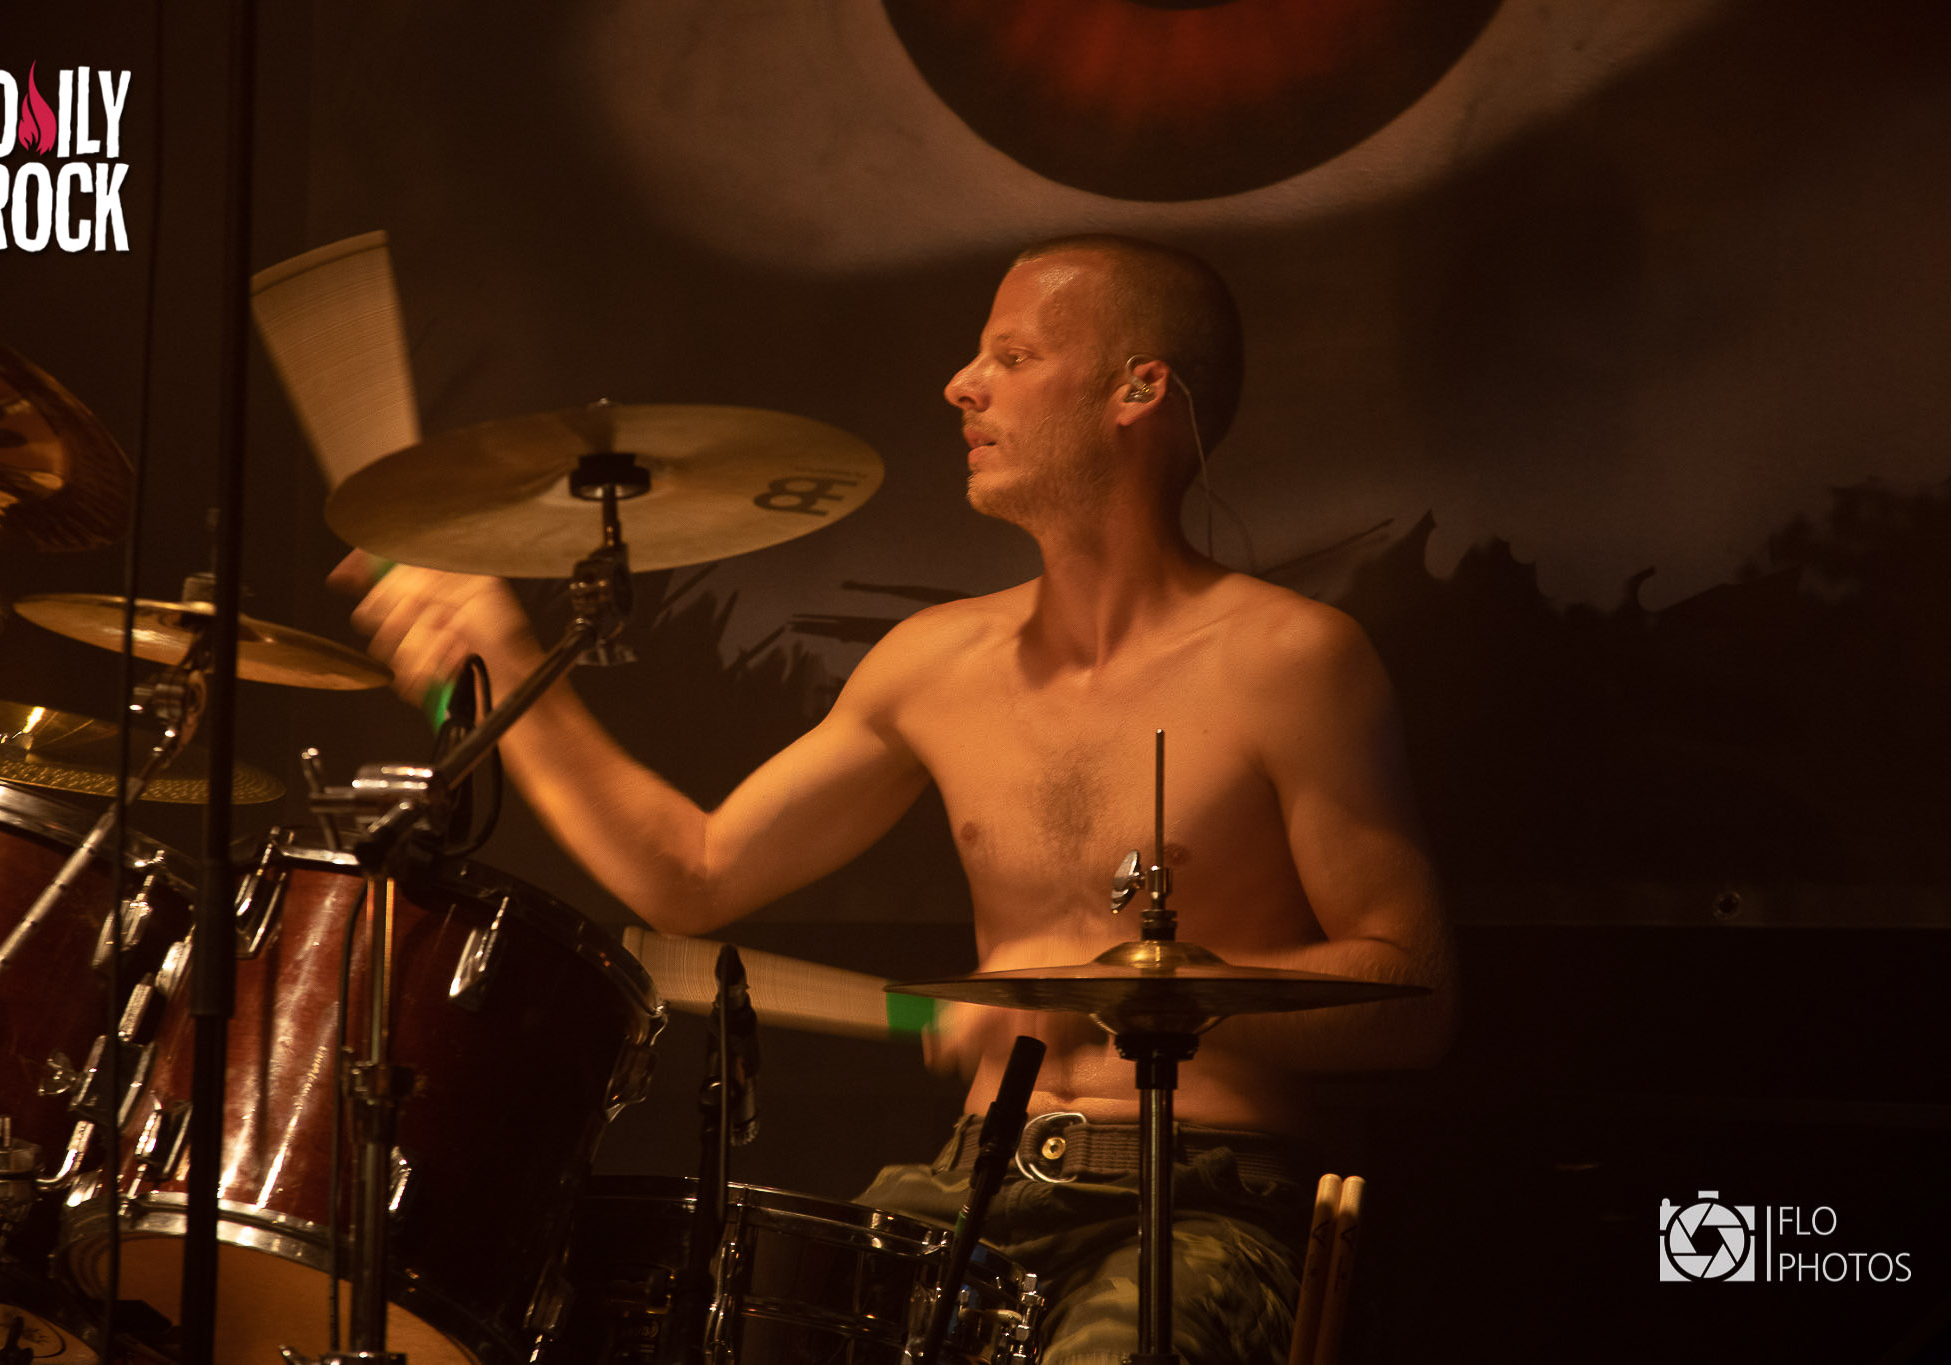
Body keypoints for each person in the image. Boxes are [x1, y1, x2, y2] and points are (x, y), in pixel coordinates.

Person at [333, 234, 1454, 1364]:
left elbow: (1412, 994)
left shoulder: (1293, 659)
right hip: (970, 1186)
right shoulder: (932, 663)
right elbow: (688, 874)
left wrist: (1138, 996)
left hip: (1201, 1198)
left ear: (1139, 388)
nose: (961, 385)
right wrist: (502, 662)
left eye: (1011, 356)